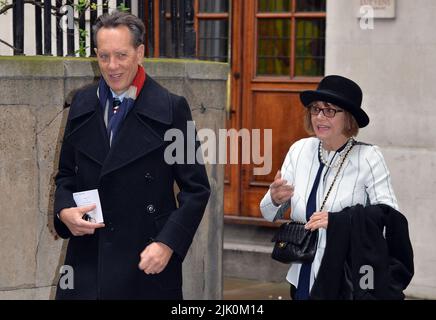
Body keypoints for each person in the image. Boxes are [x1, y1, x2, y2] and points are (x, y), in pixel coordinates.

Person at [53, 11, 210, 299]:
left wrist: (167, 244)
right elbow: (65, 175)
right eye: (104, 56)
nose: (112, 66)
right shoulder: (82, 103)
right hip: (87, 261)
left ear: (139, 53)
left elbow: (196, 189)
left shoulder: (172, 109)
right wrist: (64, 211)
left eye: (121, 55)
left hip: (146, 262)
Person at [260, 75, 413, 299]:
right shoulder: (299, 150)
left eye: (330, 110)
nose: (320, 117)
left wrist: (339, 221)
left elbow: (389, 217)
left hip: (346, 278)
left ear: (348, 118)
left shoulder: (368, 157)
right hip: (303, 273)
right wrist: (274, 198)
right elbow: (267, 213)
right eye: (315, 109)